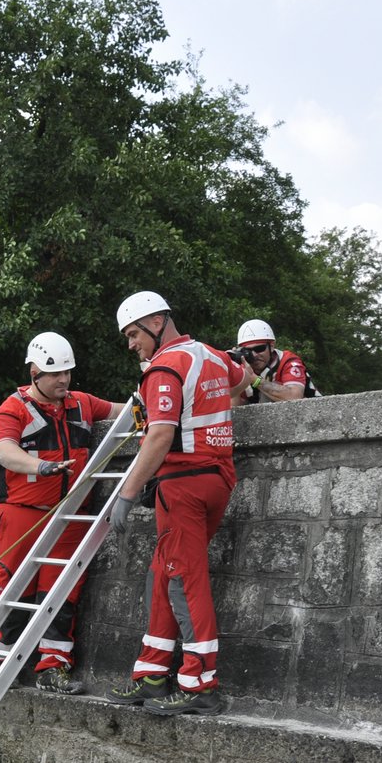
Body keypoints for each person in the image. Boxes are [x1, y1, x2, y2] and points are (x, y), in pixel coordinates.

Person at [104, 292, 251, 718]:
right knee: (164, 573)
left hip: (183, 484)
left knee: (185, 580)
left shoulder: (165, 368)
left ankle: (199, 683)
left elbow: (160, 436)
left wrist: (128, 493)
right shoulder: (211, 355)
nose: (132, 344)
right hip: (217, 478)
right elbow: (242, 383)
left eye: (133, 333)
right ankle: (151, 672)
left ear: (155, 321)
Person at [0, 332, 128, 692]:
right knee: (16, 588)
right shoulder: (12, 409)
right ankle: (4, 658)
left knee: (63, 591)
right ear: (34, 372)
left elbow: (124, 412)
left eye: (68, 372)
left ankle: (53, 667)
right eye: (55, 374)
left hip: (69, 517)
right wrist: (40, 466)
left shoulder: (81, 403)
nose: (64, 380)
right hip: (24, 514)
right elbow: (3, 451)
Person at [228, 320, 316, 404]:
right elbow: (234, 408)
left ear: (272, 346)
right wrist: (233, 374)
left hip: (310, 413)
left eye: (259, 349)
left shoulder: (288, 361)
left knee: (271, 390)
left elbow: (294, 397)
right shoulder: (242, 367)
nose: (254, 355)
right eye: (248, 351)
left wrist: (254, 379)